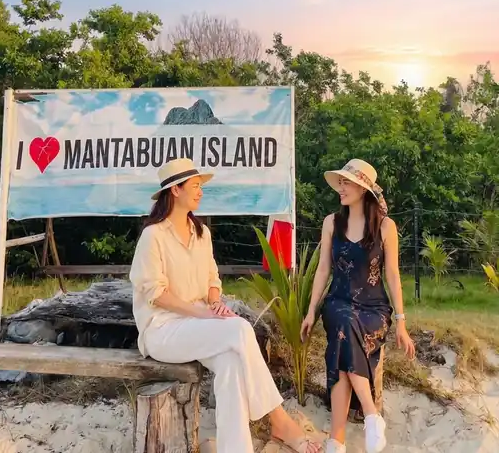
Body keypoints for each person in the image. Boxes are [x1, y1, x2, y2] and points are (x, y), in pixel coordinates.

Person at [129, 158, 323, 453]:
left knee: (232, 364)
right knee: (240, 329)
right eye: (194, 186)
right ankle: (280, 420)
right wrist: (202, 312)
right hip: (163, 330)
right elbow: (156, 294)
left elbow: (212, 279)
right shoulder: (153, 236)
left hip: (198, 325)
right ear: (175, 191)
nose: (200, 191)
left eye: (200, 186)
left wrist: (216, 304)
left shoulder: (201, 233)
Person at [300, 158, 416, 453]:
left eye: (347, 182)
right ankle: (371, 414)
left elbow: (392, 274)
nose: (341, 187)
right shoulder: (331, 223)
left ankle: (335, 441)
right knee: (344, 321)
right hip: (338, 303)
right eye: (340, 181)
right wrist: (312, 310)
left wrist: (401, 322)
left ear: (363, 188)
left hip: (374, 308)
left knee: (343, 341)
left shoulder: (386, 227)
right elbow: (323, 269)